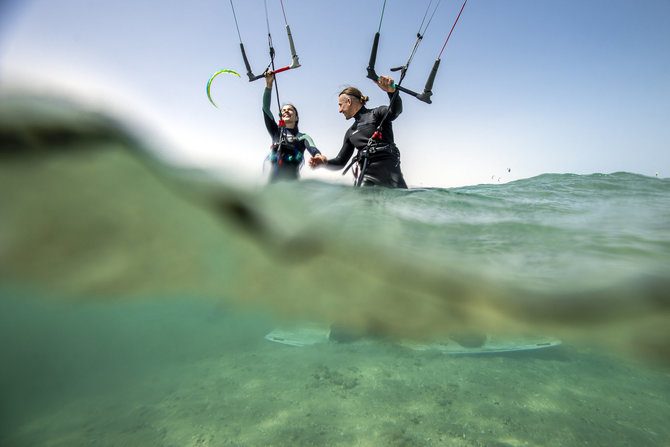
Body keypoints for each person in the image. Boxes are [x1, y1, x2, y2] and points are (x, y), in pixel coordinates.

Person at [308, 76, 407, 188]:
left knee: (402, 201)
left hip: (390, 175)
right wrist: (324, 163)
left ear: (349, 101)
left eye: (340, 105)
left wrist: (392, 93)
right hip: (367, 178)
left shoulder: (377, 114)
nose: (340, 110)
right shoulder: (350, 133)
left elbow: (395, 111)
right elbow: (340, 161)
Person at [263, 71, 321, 182]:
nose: (286, 111)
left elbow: (313, 148)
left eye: (290, 110)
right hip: (272, 185)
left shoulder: (303, 137)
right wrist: (269, 84)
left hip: (292, 186)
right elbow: (265, 108)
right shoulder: (275, 131)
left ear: (296, 118)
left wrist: (318, 156)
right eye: (283, 110)